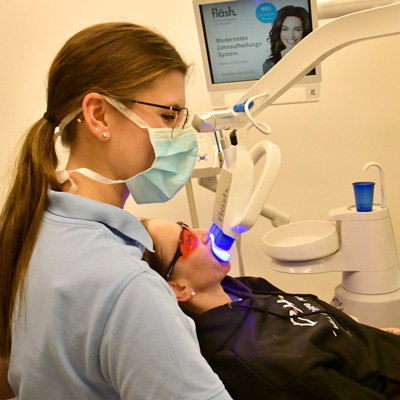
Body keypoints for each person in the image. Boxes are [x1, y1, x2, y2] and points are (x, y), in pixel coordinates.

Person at [0, 23, 233, 400]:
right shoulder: (127, 287)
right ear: (99, 116)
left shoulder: (34, 228)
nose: (181, 136)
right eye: (169, 116)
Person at [143, 218, 400, 400]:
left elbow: (323, 321)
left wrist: (376, 333)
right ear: (178, 288)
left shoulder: (244, 287)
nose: (202, 232)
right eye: (187, 240)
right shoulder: (256, 363)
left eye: (185, 225)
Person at [263, 6, 311, 74]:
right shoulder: (269, 65)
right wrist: (284, 62)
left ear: (304, 31)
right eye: (285, 29)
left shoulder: (314, 59)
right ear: (279, 32)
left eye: (297, 29)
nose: (291, 35)